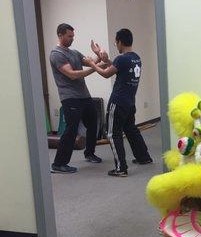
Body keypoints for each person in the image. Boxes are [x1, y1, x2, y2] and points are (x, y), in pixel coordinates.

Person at [87, 28, 152, 177]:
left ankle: (121, 168)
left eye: (116, 43)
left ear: (120, 42)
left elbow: (106, 73)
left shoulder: (121, 59)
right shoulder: (135, 58)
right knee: (130, 129)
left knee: (112, 134)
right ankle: (144, 157)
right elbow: (118, 67)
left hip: (118, 102)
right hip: (129, 102)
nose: (116, 45)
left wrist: (92, 63)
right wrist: (101, 57)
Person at [49, 23, 102, 174]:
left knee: (93, 122)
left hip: (84, 95)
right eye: (69, 36)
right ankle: (58, 164)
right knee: (71, 129)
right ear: (60, 35)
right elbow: (72, 74)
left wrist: (98, 56)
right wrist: (95, 69)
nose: (72, 39)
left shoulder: (73, 52)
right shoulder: (56, 54)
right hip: (70, 97)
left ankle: (90, 153)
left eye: (73, 36)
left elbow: (90, 62)